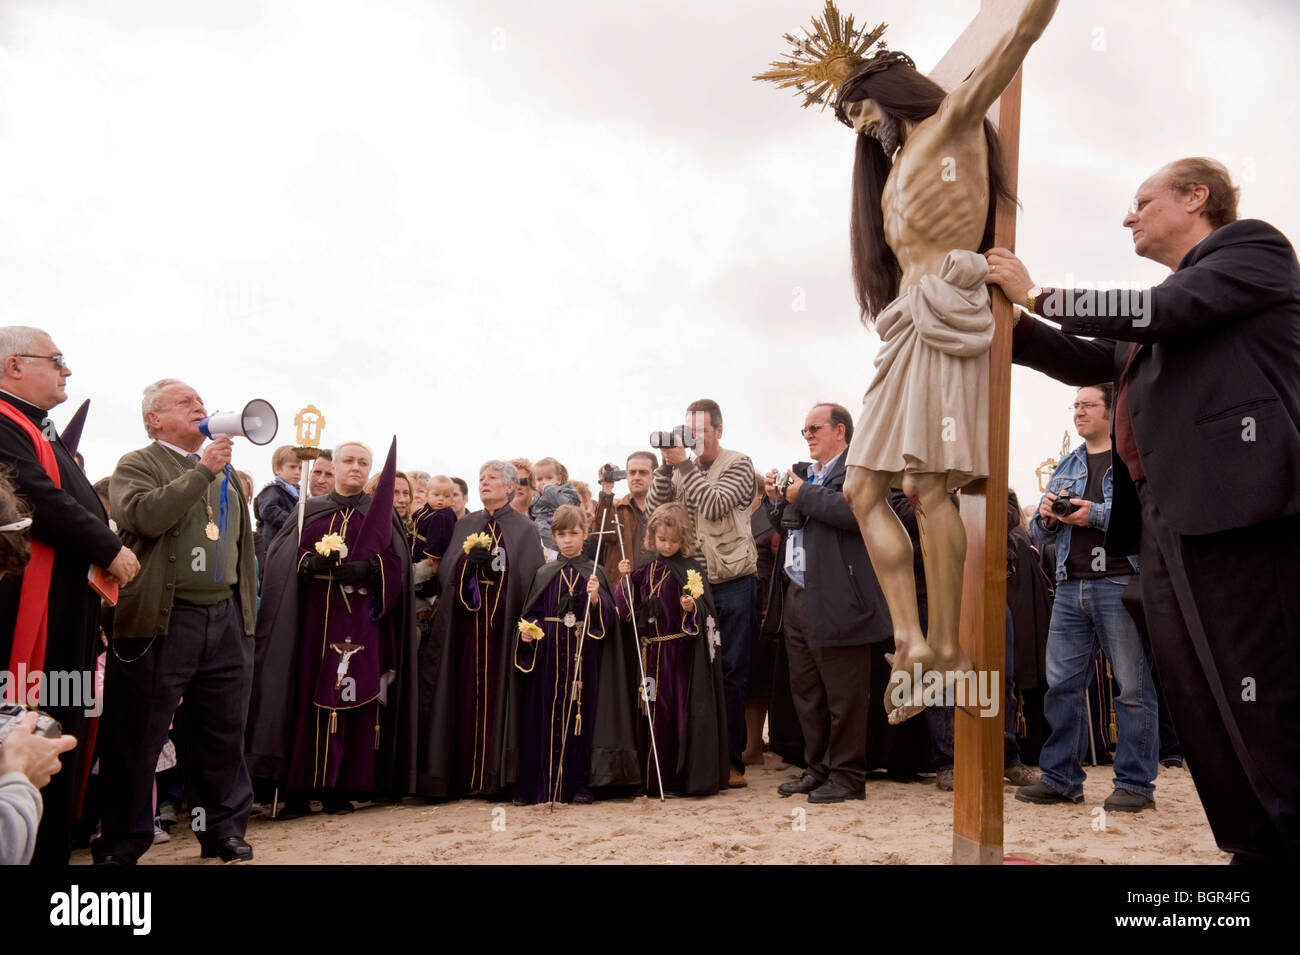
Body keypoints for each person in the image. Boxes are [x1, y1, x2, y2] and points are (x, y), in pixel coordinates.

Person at [985, 156, 1300, 861]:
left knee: (1261, 691)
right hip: (1162, 523)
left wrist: (1038, 291)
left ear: (1196, 196)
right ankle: (1254, 845)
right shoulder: (1156, 314)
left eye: (1142, 201)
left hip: (1241, 510)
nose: (1128, 215)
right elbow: (1091, 353)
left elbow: (1160, 312)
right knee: (1202, 696)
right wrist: (1010, 323)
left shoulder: (1252, 251)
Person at [757, 2, 1058, 719]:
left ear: (890, 91)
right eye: (855, 125)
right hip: (906, 329)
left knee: (928, 487)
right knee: (863, 489)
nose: (865, 130)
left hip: (946, 316)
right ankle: (914, 640)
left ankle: (949, 649)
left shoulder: (953, 124)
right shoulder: (890, 174)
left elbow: (1017, 33)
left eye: (862, 112)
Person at [95, 379, 257, 864]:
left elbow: (238, 547)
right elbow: (142, 517)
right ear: (154, 418)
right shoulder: (137, 463)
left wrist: (245, 611)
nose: (200, 408)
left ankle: (220, 829)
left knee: (220, 732)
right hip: (165, 619)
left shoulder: (223, 472)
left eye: (201, 402)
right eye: (185, 403)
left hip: (224, 617)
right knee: (139, 733)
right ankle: (123, 843)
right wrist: (203, 471)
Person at [0, 326, 138, 864]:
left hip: (66, 608)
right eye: (56, 360)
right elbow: (40, 498)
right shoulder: (6, 424)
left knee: (65, 720)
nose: (68, 371)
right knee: (37, 715)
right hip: (30, 614)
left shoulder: (36, 425)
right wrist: (109, 547)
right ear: (14, 366)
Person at [248, 441, 417, 817]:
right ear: (334, 466)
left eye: (364, 462)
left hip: (360, 624)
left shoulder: (379, 514)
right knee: (303, 697)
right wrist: (307, 562)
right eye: (348, 461)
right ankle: (296, 790)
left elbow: (398, 565)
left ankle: (339, 788)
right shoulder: (310, 510)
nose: (355, 468)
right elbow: (280, 556)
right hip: (311, 626)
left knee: (354, 701)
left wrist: (370, 569)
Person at [1013, 385, 1156, 811]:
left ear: (1110, 412)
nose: (1078, 412)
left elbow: (1145, 517)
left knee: (1132, 688)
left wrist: (1089, 511)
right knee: (1062, 688)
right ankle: (1061, 779)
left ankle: (1134, 785)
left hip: (1118, 582)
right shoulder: (1068, 463)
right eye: (1074, 405)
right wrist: (1047, 519)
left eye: (1087, 405)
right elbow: (1038, 534)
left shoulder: (1132, 460)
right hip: (1069, 585)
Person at [763, 403, 892, 803]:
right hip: (800, 594)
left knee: (845, 697)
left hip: (841, 599)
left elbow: (854, 514)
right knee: (807, 692)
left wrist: (802, 493)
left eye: (815, 428)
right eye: (804, 431)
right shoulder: (810, 476)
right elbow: (788, 526)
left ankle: (849, 775)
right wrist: (776, 498)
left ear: (840, 430)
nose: (808, 436)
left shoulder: (861, 469)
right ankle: (818, 769)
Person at [646, 398, 758, 787]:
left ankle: (732, 763)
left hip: (731, 582)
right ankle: (698, 760)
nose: (691, 440)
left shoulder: (740, 464)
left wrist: (684, 465)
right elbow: (655, 517)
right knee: (693, 673)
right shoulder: (678, 470)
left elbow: (714, 506)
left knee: (729, 673)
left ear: (719, 430)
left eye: (700, 433)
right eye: (686, 433)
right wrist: (664, 469)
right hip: (691, 583)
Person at [416, 461, 544, 798]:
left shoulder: (524, 529)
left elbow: (529, 578)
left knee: (500, 696)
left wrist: (500, 580)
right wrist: (466, 565)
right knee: (462, 694)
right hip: (469, 628)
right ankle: (461, 776)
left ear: (510, 486)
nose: (484, 483)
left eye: (492, 479)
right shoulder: (467, 523)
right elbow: (446, 573)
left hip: (502, 628)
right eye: (481, 479)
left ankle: (494, 777)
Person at [513, 505, 636, 804]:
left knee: (583, 717)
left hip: (585, 658)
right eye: (561, 534)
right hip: (549, 656)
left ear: (585, 535)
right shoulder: (543, 573)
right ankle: (543, 784)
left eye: (574, 534)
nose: (567, 540)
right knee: (545, 718)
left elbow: (609, 619)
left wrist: (595, 600)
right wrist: (527, 633)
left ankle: (579, 784)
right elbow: (532, 614)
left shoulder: (594, 573)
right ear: (553, 536)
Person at [615, 502, 727, 796]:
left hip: (678, 659)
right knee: (649, 712)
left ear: (683, 540)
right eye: (661, 540)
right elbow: (625, 609)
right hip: (650, 655)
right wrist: (624, 578)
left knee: (674, 713)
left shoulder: (691, 571)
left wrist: (691, 609)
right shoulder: (645, 571)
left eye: (673, 541)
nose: (666, 545)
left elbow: (705, 614)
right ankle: (650, 778)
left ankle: (677, 779)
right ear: (652, 537)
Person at [586, 453, 656, 592]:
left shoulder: (664, 509)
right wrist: (606, 489)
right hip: (624, 590)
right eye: (632, 472)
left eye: (643, 472)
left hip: (656, 586)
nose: (636, 477)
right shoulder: (617, 509)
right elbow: (601, 533)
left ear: (654, 476)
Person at [530, 457, 581, 552]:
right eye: (539, 479)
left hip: (558, 539)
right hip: (539, 541)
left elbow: (567, 505)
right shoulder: (534, 497)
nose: (544, 482)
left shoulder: (565, 491)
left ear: (559, 479)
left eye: (549, 478)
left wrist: (549, 489)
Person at [254, 445, 302, 543]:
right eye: (292, 467)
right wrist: (293, 520)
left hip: (289, 541)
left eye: (300, 468)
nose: (297, 472)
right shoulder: (272, 490)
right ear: (277, 469)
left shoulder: (301, 494)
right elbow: (268, 510)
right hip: (272, 543)